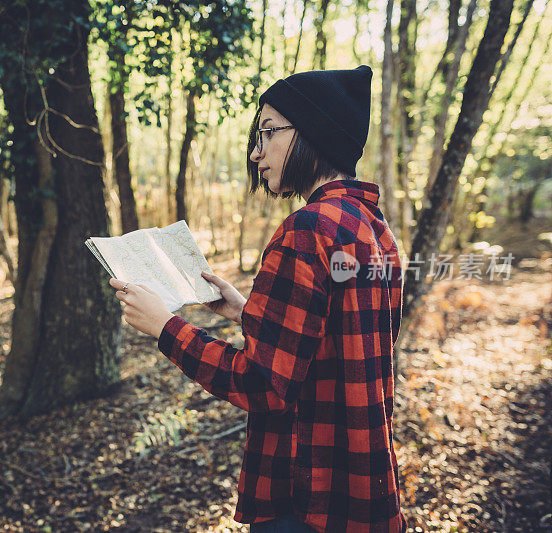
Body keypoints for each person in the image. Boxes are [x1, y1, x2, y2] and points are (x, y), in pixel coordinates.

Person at [108, 65, 408, 532]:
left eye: (268, 132)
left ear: (311, 135)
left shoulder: (306, 231)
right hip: (361, 487)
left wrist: (165, 327)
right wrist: (244, 311)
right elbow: (332, 342)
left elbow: (262, 386)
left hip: (306, 496)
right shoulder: (371, 226)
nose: (256, 151)